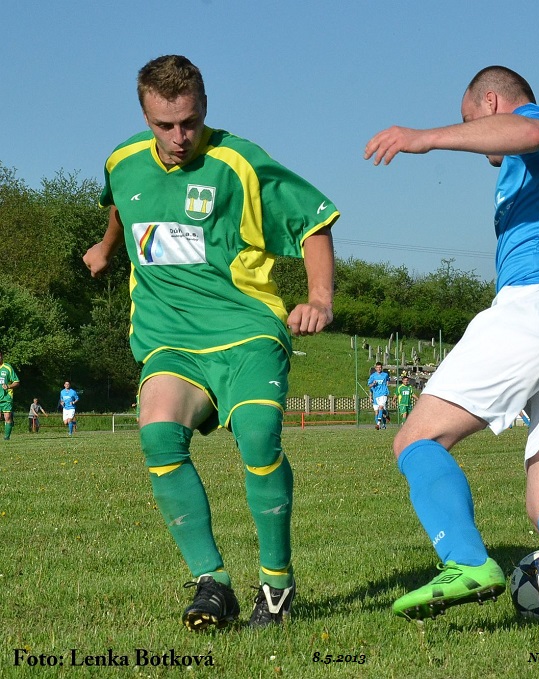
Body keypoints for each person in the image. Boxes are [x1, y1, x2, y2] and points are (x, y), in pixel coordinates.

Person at [364, 65, 539, 639]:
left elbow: (530, 132)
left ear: (491, 102)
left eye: (472, 120)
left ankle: (466, 560)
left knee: (416, 438)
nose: (475, 140)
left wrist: (426, 137)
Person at [82, 55, 338, 631]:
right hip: (169, 338)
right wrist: (105, 248)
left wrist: (319, 298)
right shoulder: (122, 161)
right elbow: (123, 207)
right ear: (145, 116)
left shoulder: (240, 163)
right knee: (156, 432)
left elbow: (315, 220)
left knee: (257, 433)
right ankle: (213, 583)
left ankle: (275, 587)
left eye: (190, 123)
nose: (178, 138)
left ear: (205, 108)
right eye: (164, 126)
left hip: (245, 331)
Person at [0, 352, 20, 440]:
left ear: (1, 356)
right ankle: (10, 422)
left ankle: (6, 437)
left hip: (6, 397)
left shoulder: (7, 367)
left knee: (7, 417)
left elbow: (16, 382)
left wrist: (8, 386)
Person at [368, 362, 390, 429]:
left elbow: (388, 381)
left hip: (383, 393)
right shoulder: (373, 376)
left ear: (382, 368)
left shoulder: (385, 375)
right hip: (376, 395)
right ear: (375, 368)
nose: (379, 369)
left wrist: (386, 386)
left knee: (380, 407)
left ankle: (378, 424)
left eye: (380, 367)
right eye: (377, 367)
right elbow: (369, 385)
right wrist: (373, 384)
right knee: (377, 412)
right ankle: (386, 414)